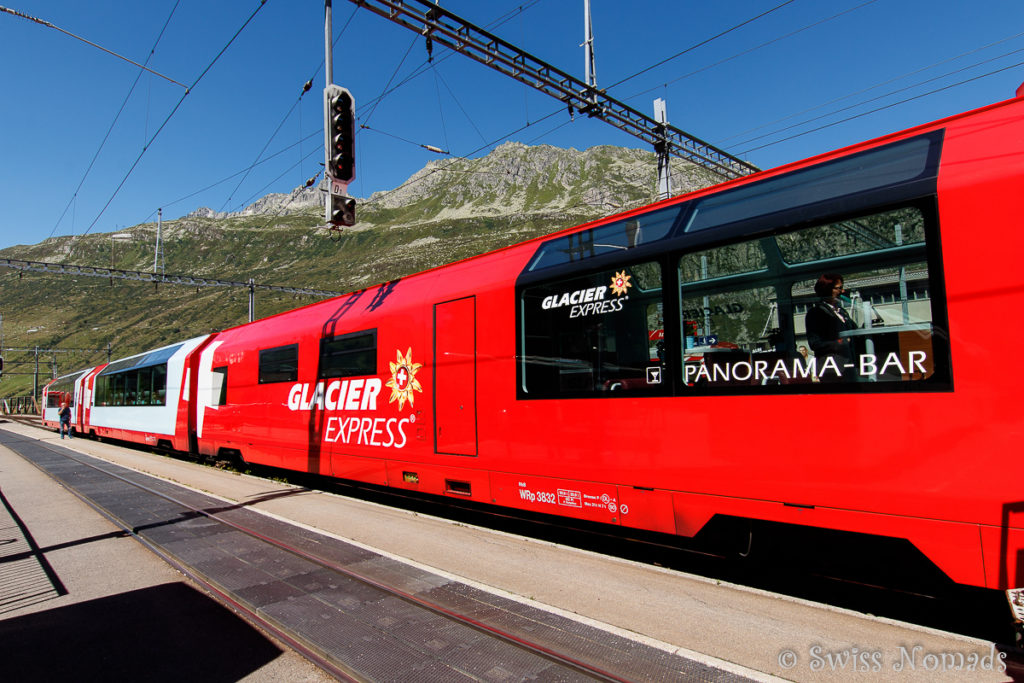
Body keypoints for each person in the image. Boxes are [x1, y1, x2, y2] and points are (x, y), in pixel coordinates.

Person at [804, 273, 858, 381]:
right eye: (838, 288)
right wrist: (839, 343)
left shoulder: (842, 311)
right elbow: (815, 343)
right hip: (832, 369)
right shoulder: (816, 313)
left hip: (848, 364)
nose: (842, 291)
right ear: (827, 290)